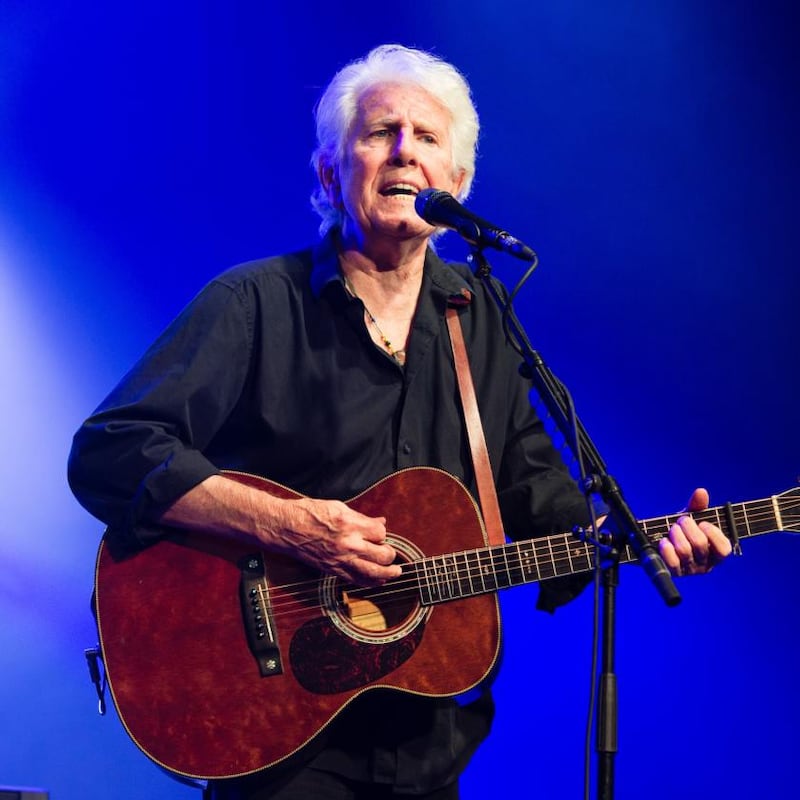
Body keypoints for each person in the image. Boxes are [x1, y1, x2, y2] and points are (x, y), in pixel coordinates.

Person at [68, 44, 731, 800]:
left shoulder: (480, 322)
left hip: (429, 742)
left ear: (458, 183)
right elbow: (109, 451)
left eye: (426, 137)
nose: (404, 151)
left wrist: (650, 542)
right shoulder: (254, 303)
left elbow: (544, 502)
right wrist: (288, 526)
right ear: (330, 173)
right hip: (278, 737)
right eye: (381, 131)